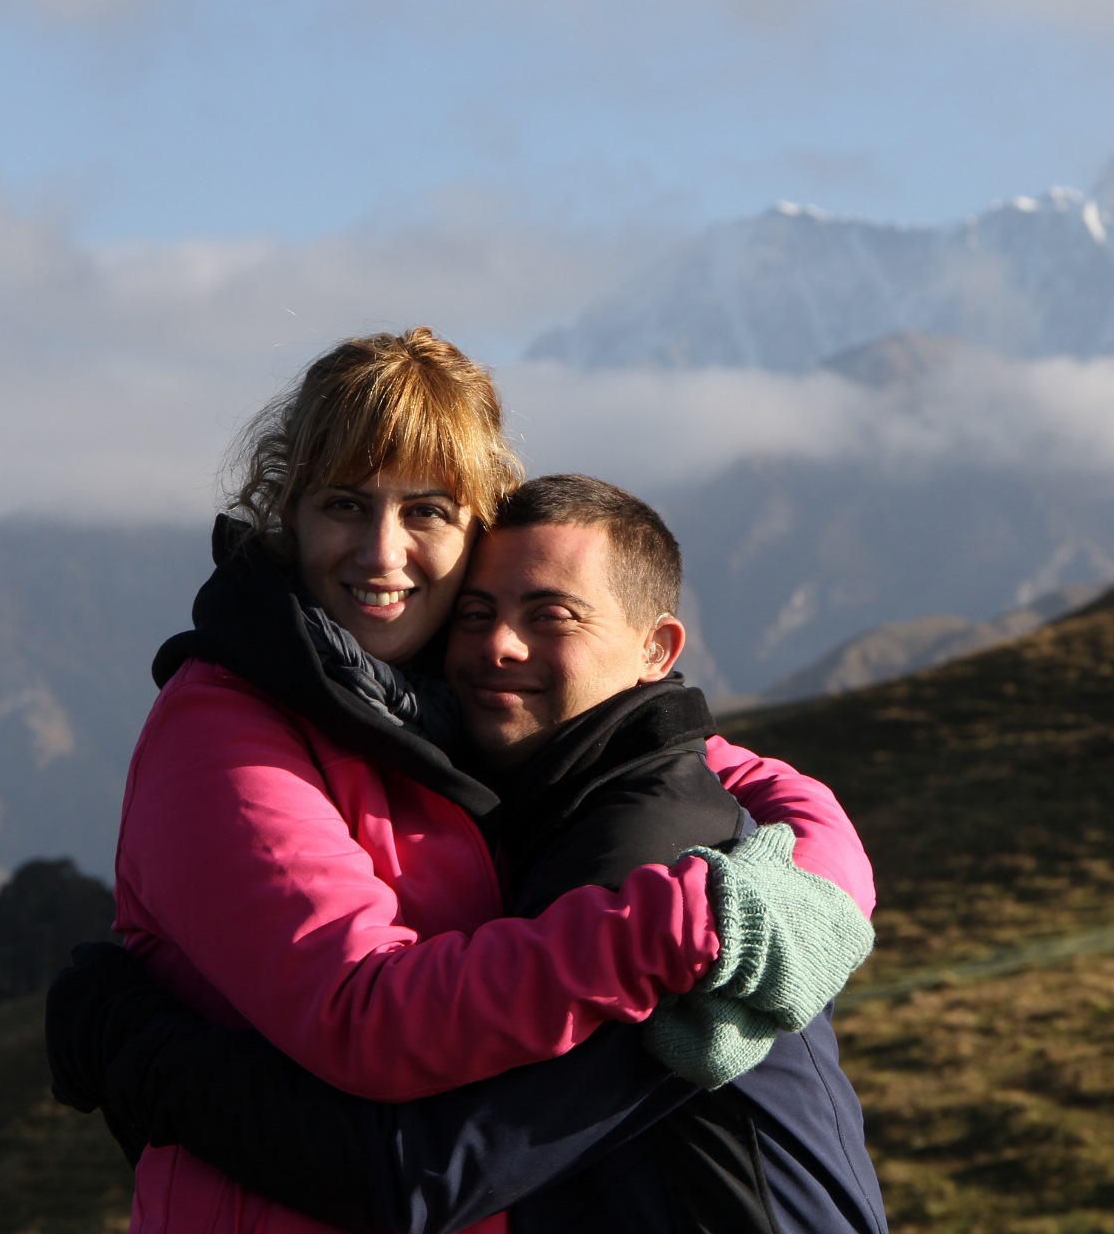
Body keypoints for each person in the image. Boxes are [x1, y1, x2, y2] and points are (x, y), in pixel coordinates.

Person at [97, 329, 876, 1234]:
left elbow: (725, 773)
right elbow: (362, 1020)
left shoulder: (435, 695)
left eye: (425, 510)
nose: (382, 554)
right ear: (290, 515)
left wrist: (814, 893)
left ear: (475, 528)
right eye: (345, 504)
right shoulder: (228, 729)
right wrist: (700, 925)